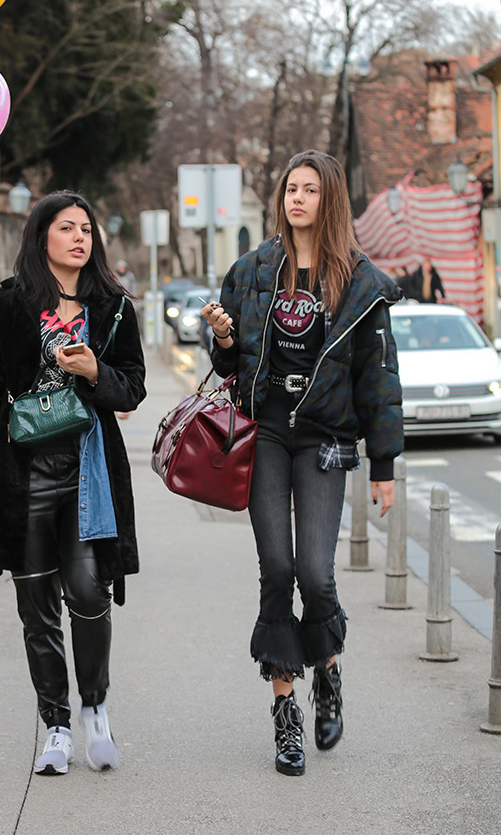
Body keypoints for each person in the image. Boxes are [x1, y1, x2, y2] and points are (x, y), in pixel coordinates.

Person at [201, 150, 403, 777]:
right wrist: (225, 339)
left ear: (329, 200)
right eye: (291, 188)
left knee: (316, 574)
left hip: (324, 439)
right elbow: (231, 367)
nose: (297, 198)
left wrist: (385, 464)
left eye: (310, 190)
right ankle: (286, 718)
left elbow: (380, 379)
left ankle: (330, 672)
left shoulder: (361, 283)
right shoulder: (254, 270)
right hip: (265, 436)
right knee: (278, 569)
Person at [0, 191, 145, 776]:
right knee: (36, 610)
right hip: (23, 476)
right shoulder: (10, 304)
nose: (80, 237)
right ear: (42, 238)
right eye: (67, 228)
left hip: (88, 474)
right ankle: (55, 726)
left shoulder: (112, 308)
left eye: (87, 228)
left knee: (87, 593)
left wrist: (93, 371)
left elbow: (131, 388)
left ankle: (95, 709)